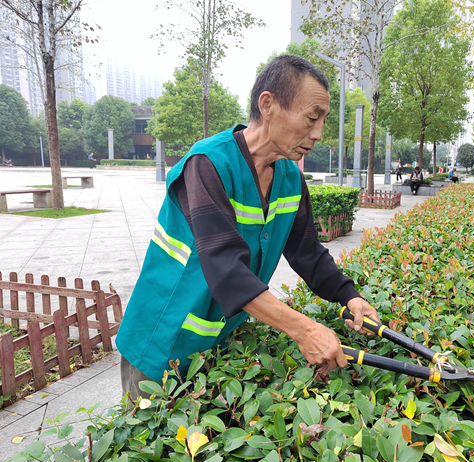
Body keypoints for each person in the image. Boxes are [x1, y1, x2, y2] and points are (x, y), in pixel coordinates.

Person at [116, 55, 379, 399]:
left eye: (322, 121)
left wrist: (350, 296)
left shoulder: (289, 178)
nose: (317, 134)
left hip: (220, 341)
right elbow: (226, 269)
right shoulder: (208, 165)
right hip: (161, 339)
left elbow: (307, 253)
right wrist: (304, 329)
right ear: (267, 104)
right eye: (312, 118)